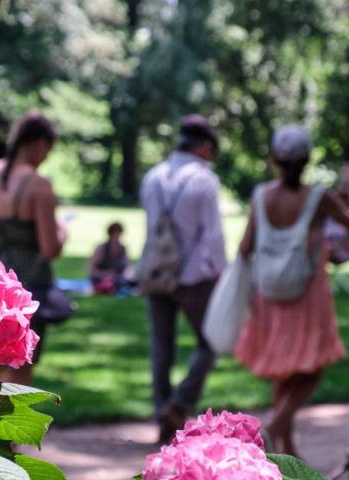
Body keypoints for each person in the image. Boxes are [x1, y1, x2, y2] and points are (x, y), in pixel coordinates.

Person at [235, 125, 349, 456]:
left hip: (269, 295)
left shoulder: (261, 196)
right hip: (307, 294)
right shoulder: (318, 197)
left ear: (274, 159)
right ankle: (276, 426)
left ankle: (287, 452)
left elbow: (245, 247)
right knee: (312, 368)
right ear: (306, 160)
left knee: (284, 371)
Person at [140, 114, 227, 444]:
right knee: (210, 342)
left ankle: (164, 410)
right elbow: (213, 236)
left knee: (161, 346)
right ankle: (180, 403)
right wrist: (220, 275)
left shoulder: (153, 176)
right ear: (205, 146)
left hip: (156, 273)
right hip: (194, 279)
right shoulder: (204, 179)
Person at [0, 111, 66, 386]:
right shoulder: (38, 186)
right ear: (38, 143)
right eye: (48, 148)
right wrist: (62, 232)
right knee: (20, 370)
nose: (46, 156)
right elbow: (50, 249)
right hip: (27, 292)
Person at [88, 222, 131, 294]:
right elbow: (91, 270)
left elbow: (127, 267)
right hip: (102, 279)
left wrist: (127, 274)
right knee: (109, 284)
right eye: (115, 234)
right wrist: (106, 274)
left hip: (119, 279)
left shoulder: (123, 248)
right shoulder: (102, 249)